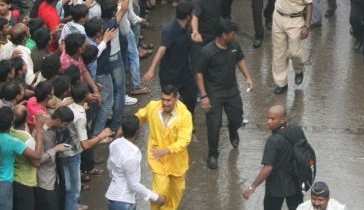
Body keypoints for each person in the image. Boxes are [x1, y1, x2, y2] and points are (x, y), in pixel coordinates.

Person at [195, 20, 253, 169]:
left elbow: (240, 60)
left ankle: (233, 131)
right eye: (233, 34)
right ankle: (213, 154)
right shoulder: (207, 52)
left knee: (237, 118)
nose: (236, 37)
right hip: (214, 93)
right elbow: (199, 74)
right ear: (223, 35)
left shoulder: (234, 46)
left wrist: (248, 77)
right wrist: (204, 96)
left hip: (232, 90)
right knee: (214, 125)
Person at [133, 86, 192, 210]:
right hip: (157, 159)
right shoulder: (153, 107)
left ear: (176, 99)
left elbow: (184, 140)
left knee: (175, 194)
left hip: (177, 162)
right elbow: (139, 117)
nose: (165, 103)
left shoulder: (185, 115)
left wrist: (166, 150)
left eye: (168, 100)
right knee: (158, 193)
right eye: (163, 100)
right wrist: (126, 126)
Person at [241, 105, 311, 209]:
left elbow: (268, 167)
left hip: (276, 187)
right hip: (296, 183)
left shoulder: (273, 141)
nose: (268, 121)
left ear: (282, 119)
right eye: (268, 118)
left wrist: (252, 187)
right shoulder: (297, 130)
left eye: (273, 119)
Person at [270, 0, 312, 94]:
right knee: (279, 52)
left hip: (295, 21)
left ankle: (299, 70)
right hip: (278, 18)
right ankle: (281, 83)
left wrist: (306, 26)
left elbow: (309, 4)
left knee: (295, 53)